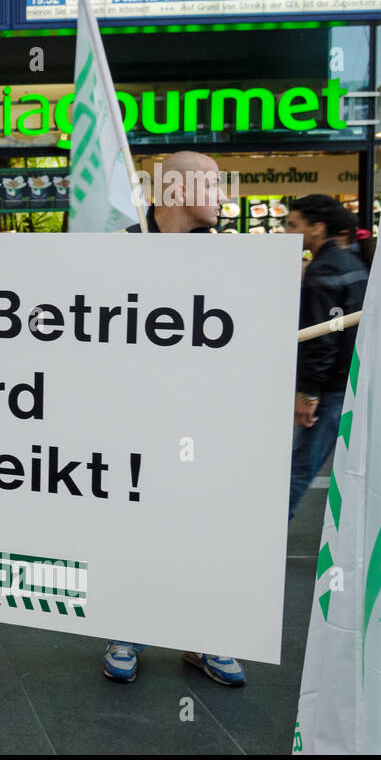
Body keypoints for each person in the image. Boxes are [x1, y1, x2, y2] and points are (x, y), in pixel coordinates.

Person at [104, 151, 246, 687]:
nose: (223, 197)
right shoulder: (121, 249)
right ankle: (127, 629)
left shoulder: (230, 261)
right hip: (135, 420)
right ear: (180, 191)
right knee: (137, 528)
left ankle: (205, 635)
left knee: (205, 531)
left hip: (205, 422)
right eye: (213, 185)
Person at [284, 195, 369, 522]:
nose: (287, 231)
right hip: (349, 382)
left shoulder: (324, 270)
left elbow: (323, 338)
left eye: (293, 224)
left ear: (317, 229)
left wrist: (309, 393)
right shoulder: (351, 263)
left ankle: (265, 538)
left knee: (300, 468)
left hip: (330, 389)